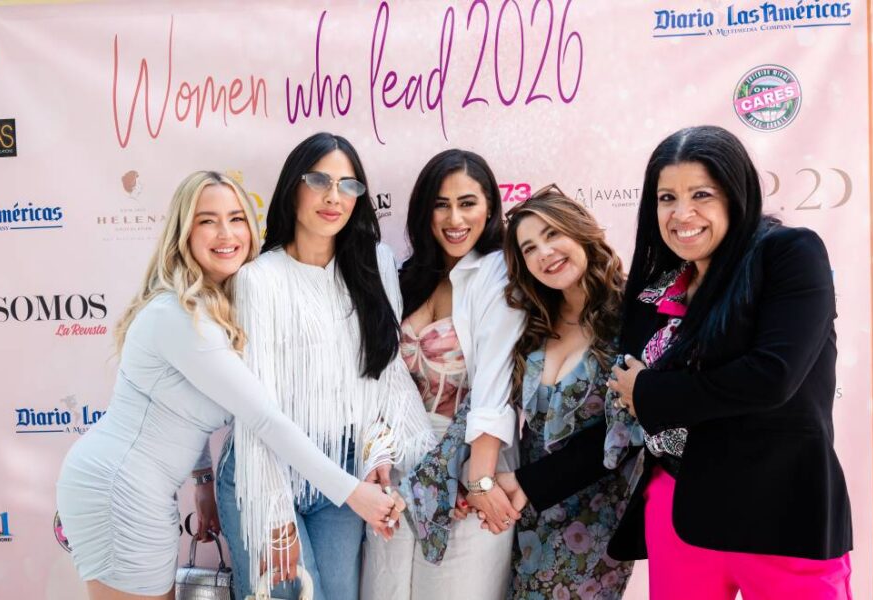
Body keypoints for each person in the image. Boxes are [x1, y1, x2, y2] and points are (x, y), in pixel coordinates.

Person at [493, 126, 853, 600]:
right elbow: (622, 426)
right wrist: (529, 483)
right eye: (667, 198)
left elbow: (773, 377)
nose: (683, 214)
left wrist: (649, 393)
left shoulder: (788, 254)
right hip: (680, 509)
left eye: (701, 194)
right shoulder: (655, 289)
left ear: (736, 191)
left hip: (781, 512)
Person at [56, 171, 399, 600]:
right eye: (207, 220)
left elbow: (183, 404)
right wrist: (353, 493)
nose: (226, 233)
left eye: (236, 218)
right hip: (119, 489)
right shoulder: (181, 315)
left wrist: (202, 482)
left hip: (144, 488)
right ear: (183, 232)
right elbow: (264, 418)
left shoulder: (216, 305)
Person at [214, 133, 434, 600]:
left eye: (349, 185)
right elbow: (258, 414)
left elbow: (383, 377)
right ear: (293, 186)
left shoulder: (375, 264)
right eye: (319, 181)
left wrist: (378, 455)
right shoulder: (258, 280)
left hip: (342, 467)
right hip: (264, 470)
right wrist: (275, 519)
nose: (335, 197)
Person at [361, 149, 524, 600]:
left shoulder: (499, 275)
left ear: (490, 206)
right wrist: (377, 456)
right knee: (387, 589)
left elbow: (494, 385)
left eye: (468, 203)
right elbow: (374, 382)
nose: (455, 218)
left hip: (469, 457)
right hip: (396, 464)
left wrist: (478, 479)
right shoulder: (405, 275)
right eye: (441, 203)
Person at [499, 186, 635, 598]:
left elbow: (628, 430)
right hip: (520, 515)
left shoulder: (631, 315)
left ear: (579, 232)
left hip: (593, 519)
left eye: (552, 234)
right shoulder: (530, 321)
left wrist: (531, 483)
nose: (545, 252)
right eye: (529, 248)